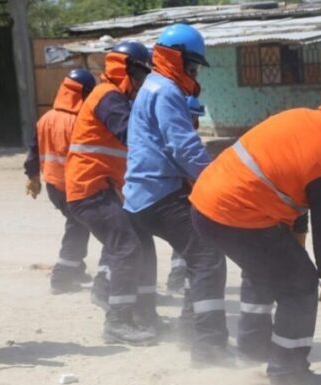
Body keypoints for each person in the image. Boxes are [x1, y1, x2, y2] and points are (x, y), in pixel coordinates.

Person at [190, 76, 321, 385]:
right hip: (237, 213)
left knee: (268, 268)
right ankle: (288, 373)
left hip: (205, 205)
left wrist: (295, 245)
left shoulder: (303, 118)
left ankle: (253, 349)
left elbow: (293, 194)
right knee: (299, 283)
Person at [122, 23, 230, 363]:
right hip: (160, 193)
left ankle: (190, 330)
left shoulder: (151, 87)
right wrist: (217, 180)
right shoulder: (166, 90)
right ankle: (208, 346)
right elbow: (183, 147)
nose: (195, 73)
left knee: (193, 256)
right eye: (193, 65)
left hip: (141, 193)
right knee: (208, 256)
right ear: (176, 58)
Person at [65, 41, 156, 345]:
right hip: (90, 188)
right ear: (125, 68)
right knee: (126, 245)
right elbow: (130, 133)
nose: (143, 83)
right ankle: (117, 321)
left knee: (129, 242)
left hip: (96, 187)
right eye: (141, 75)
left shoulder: (114, 97)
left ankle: (111, 296)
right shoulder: (109, 97)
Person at [23, 68, 97, 294]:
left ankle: (74, 268)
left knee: (77, 224)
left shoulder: (46, 118)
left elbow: (33, 152)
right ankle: (62, 277)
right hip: (74, 185)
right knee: (78, 227)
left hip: (53, 186)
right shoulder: (80, 121)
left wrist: (32, 177)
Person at [166, 95, 205, 294]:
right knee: (191, 242)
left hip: (184, 194)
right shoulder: (177, 137)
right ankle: (178, 281)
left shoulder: (185, 136)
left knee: (184, 241)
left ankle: (177, 280)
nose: (195, 123)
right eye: (193, 118)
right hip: (177, 194)